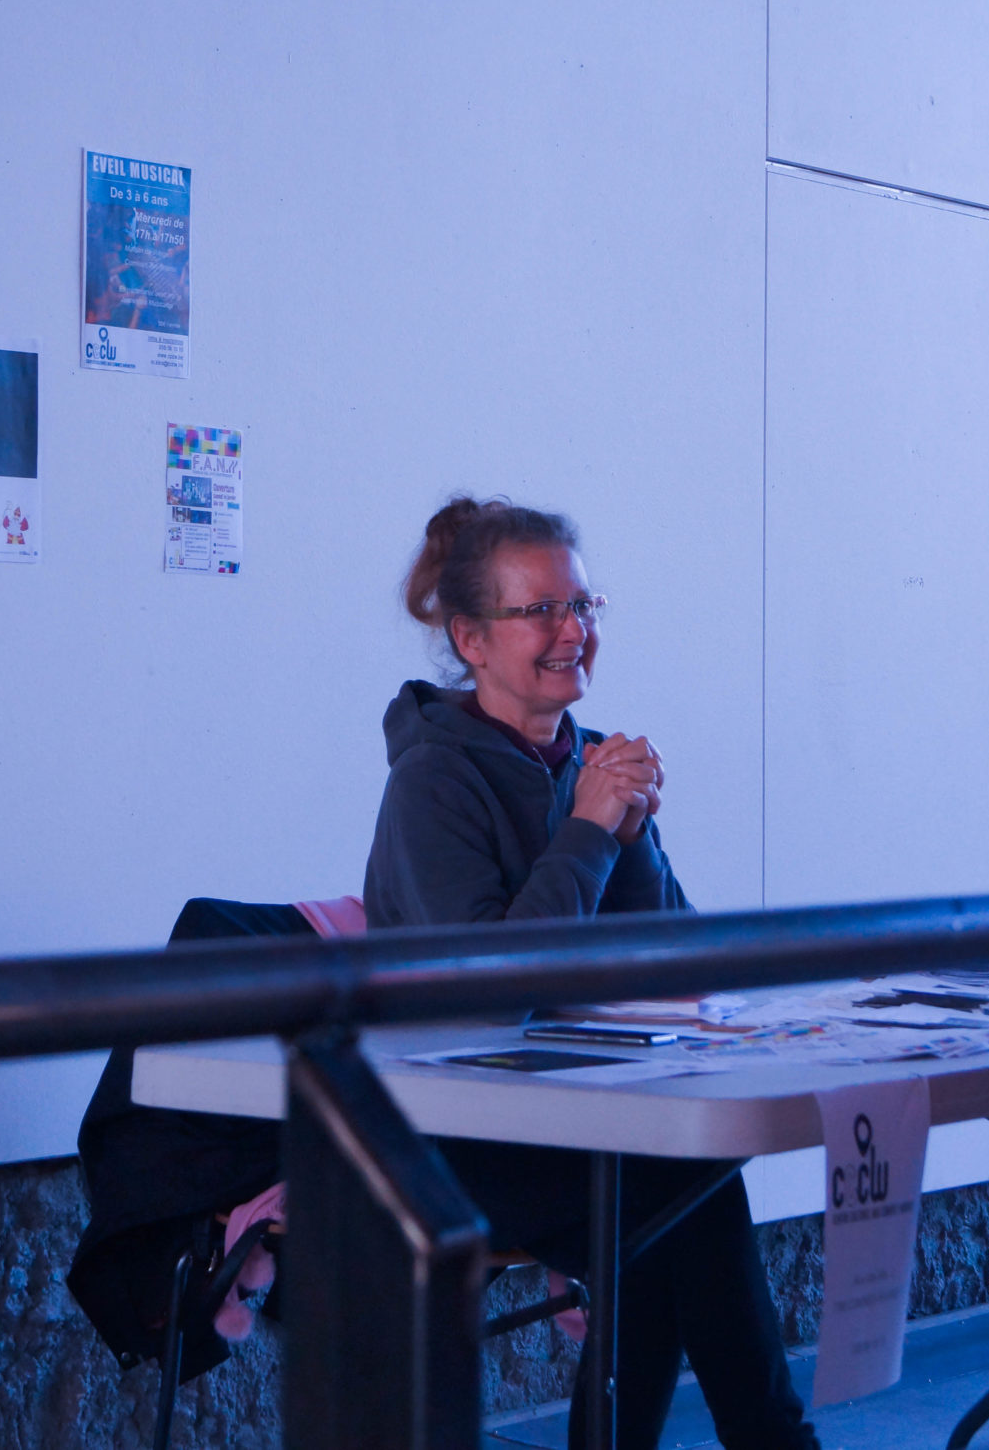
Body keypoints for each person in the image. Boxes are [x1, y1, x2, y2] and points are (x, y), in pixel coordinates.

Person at [365, 496, 815, 1450]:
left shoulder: (587, 763)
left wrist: (631, 834)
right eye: (541, 610)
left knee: (674, 1190)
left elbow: (680, 964)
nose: (573, 631)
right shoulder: (431, 782)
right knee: (675, 1194)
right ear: (472, 639)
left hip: (588, 1102)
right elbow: (491, 994)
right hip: (460, 1124)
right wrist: (588, 831)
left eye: (583, 604)